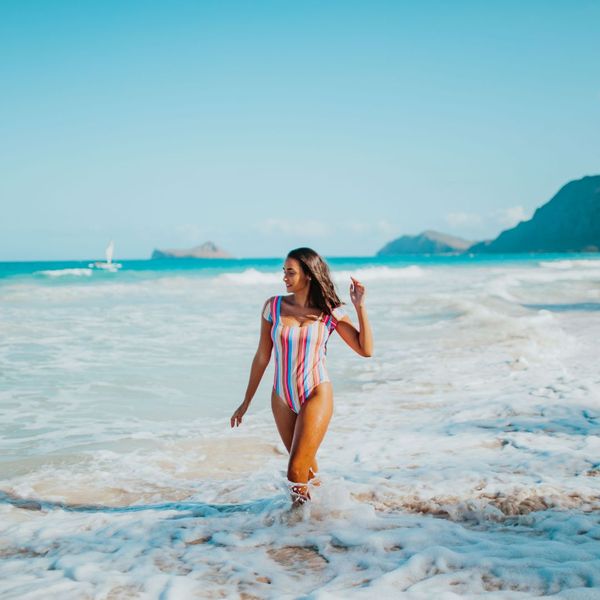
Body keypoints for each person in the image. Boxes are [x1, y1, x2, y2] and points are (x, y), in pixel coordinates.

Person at [230, 247, 373, 508]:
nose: (284, 277)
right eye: (283, 271)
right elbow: (262, 356)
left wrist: (359, 306)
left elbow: (366, 350)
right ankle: (321, 517)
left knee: (294, 470)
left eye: (291, 272)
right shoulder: (273, 306)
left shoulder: (330, 310)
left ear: (308, 274)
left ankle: (299, 525)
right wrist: (246, 401)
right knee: (306, 469)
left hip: (316, 391)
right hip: (282, 397)